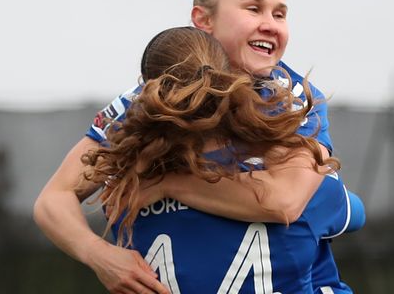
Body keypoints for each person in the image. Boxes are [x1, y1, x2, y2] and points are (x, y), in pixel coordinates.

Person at [34, 0, 360, 293]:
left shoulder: (291, 95)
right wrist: (101, 256)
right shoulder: (143, 103)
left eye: (280, 14)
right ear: (203, 20)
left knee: (342, 208)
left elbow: (282, 201)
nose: (270, 24)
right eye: (253, 8)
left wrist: (165, 183)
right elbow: (53, 199)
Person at [82, 26, 364, 293]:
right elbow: (353, 212)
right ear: (225, 80)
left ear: (146, 94)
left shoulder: (125, 198)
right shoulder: (295, 197)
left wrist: (166, 187)